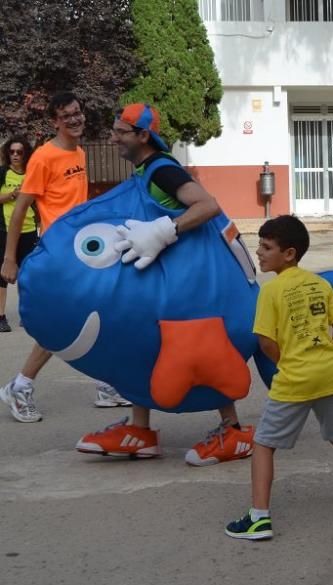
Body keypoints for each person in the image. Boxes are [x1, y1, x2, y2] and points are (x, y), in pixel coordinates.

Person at [74, 102, 254, 466]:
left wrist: (165, 229)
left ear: (143, 135)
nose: (113, 138)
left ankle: (233, 429)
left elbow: (208, 205)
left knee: (205, 351)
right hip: (164, 281)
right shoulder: (144, 170)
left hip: (191, 286)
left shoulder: (161, 170)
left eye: (120, 132)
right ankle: (140, 429)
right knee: (143, 343)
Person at [225, 215, 333, 540]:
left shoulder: (271, 292)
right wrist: (331, 358)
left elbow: (265, 340)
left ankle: (259, 517)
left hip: (295, 380)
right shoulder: (320, 283)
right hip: (326, 375)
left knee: (264, 444)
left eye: (266, 247)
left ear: (289, 254)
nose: (259, 252)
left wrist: (286, 362)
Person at [0, 92, 130, 423]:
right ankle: (21, 385)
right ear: (55, 121)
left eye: (77, 113)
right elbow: (20, 211)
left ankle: (104, 384)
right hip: (59, 253)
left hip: (81, 250)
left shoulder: (80, 152)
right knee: (64, 322)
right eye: (66, 115)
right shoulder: (43, 157)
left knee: (101, 311)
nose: (75, 119)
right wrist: (9, 258)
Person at [0, 136, 38, 332]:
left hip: (29, 229)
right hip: (4, 229)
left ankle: (26, 314)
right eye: (12, 152)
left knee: (26, 273)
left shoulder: (32, 173)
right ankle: (1, 317)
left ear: (25, 154)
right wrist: (12, 194)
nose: (15, 155)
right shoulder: (2, 173)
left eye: (19, 152)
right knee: (1, 275)